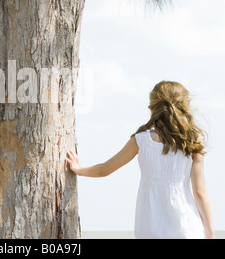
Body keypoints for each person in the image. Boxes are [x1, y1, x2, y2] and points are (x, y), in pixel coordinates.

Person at [66, 81, 214, 239]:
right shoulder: (192, 143)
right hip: (186, 227)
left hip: (149, 228)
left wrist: (79, 169)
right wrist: (210, 234)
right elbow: (200, 193)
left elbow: (105, 169)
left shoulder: (142, 140)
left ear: (151, 109)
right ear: (185, 108)